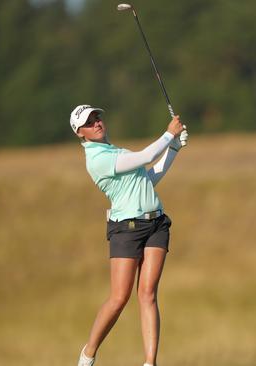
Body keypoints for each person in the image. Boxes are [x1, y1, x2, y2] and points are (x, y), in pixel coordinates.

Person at [70, 104, 188, 366]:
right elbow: (146, 156)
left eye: (97, 117)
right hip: (127, 229)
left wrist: (174, 149)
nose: (97, 123)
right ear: (80, 133)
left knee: (148, 294)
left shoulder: (115, 151)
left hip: (156, 224)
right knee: (119, 298)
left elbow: (148, 178)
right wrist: (169, 135)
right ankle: (88, 354)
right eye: (89, 122)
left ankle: (149, 362)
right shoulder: (98, 159)